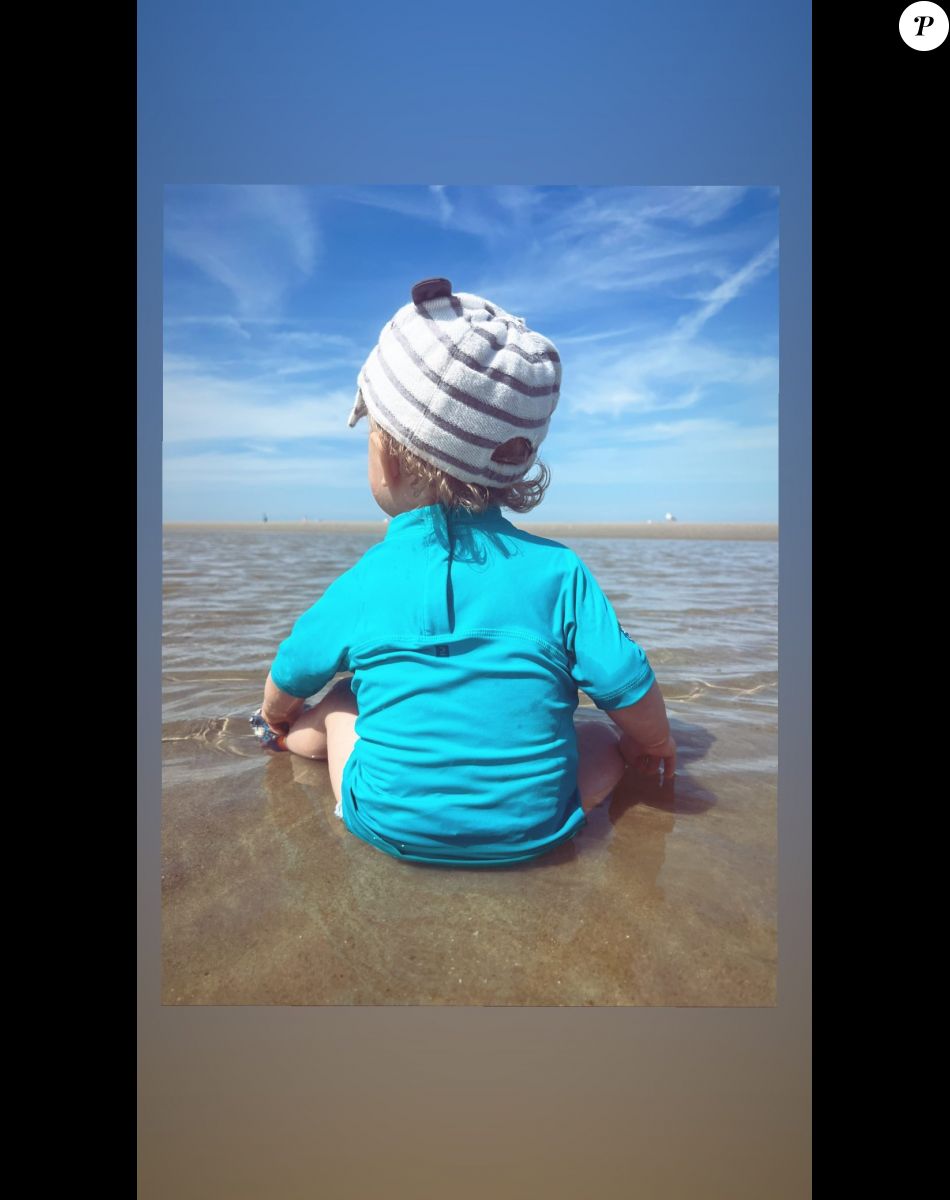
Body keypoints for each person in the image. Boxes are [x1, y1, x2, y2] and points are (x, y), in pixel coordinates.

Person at [251, 277, 676, 867]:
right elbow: (625, 681)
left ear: (391, 461)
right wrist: (653, 742)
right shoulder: (560, 572)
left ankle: (283, 744)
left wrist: (276, 714)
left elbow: (292, 670)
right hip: (538, 829)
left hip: (384, 822)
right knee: (604, 736)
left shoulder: (366, 579)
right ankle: (584, 798)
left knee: (345, 700)